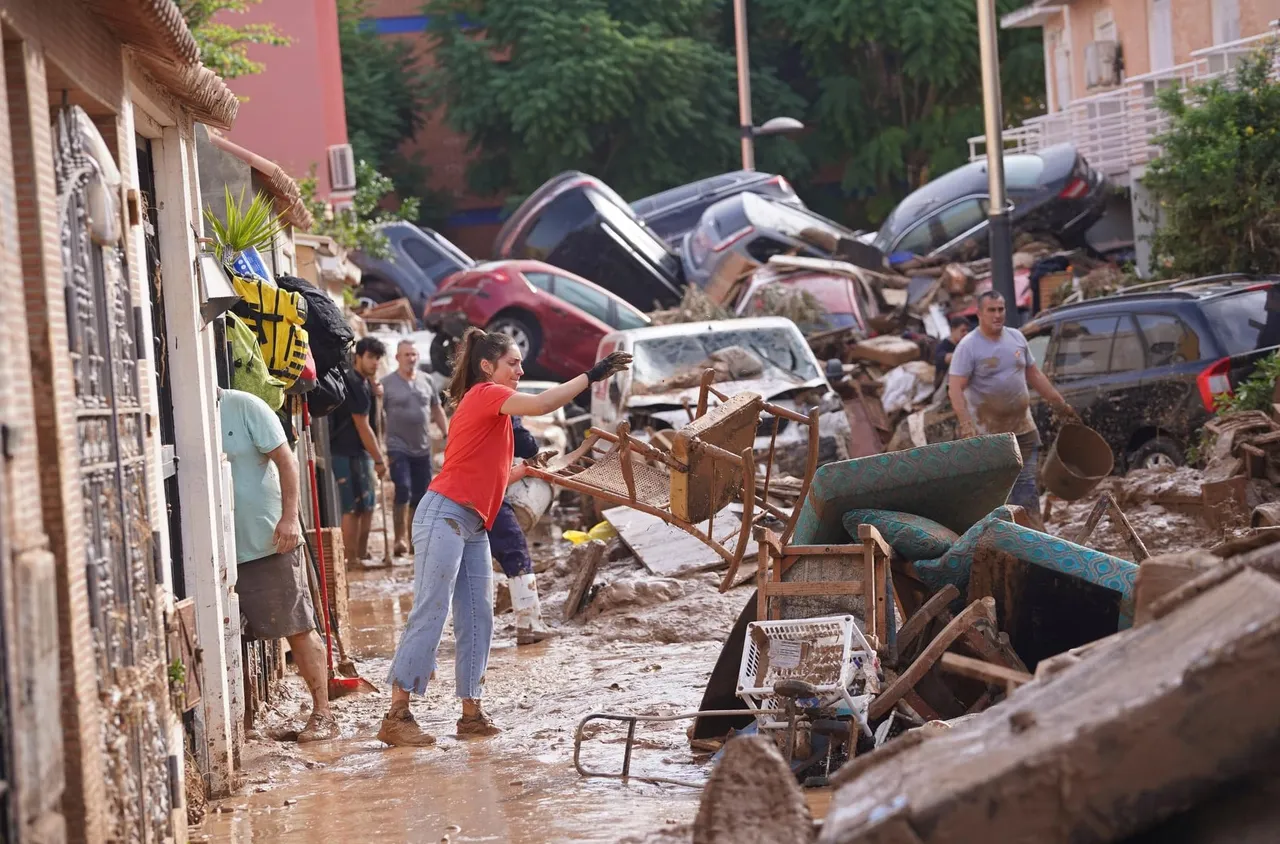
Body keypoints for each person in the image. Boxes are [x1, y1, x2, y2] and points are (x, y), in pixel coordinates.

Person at [377, 328, 631, 747]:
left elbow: (491, 475)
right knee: (432, 608)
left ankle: (471, 714)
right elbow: (545, 402)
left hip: (473, 522)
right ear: (487, 367)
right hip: (444, 515)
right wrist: (594, 374)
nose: (520, 369)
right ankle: (397, 714)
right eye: (513, 363)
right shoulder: (485, 393)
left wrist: (529, 470)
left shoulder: (490, 410)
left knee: (480, 615)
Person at [219, 388, 337, 742]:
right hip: (221, 551)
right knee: (231, 636)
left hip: (267, 542)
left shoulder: (243, 405)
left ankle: (323, 714)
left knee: (297, 626)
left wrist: (289, 519)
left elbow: (287, 461)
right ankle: (242, 724)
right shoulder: (179, 415)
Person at [948, 291, 1078, 527]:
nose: (998, 315)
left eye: (1001, 309)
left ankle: (1035, 536)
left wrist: (1059, 404)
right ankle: (1002, 539)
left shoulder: (1017, 338)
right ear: (979, 314)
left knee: (1027, 484)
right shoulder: (968, 347)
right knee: (997, 492)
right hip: (989, 435)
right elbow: (955, 388)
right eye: (991, 310)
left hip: (1023, 429)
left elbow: (1034, 375)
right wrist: (966, 424)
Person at [381, 339, 449, 557]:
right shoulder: (386, 383)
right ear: (397, 358)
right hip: (396, 445)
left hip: (422, 447)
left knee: (422, 495)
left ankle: (414, 540)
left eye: (413, 354)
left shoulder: (426, 380)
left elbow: (437, 410)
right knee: (403, 488)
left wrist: (448, 434)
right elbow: (377, 415)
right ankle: (399, 539)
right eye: (406, 355)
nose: (411, 358)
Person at [490, 416, 555, 645]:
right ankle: (529, 624)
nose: (519, 376)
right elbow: (523, 441)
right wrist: (532, 455)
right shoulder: (500, 399)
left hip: (462, 491)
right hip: (487, 491)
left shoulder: (468, 400)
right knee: (515, 548)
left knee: (463, 565)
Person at [328, 337, 387, 564]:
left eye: (377, 359)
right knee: (352, 508)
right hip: (347, 452)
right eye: (370, 357)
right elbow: (363, 426)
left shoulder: (362, 383)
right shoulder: (355, 383)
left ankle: (360, 554)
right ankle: (350, 558)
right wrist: (379, 459)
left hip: (358, 452)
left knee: (367, 506)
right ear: (358, 357)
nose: (374, 363)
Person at [933, 316, 971, 389]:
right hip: (944, 388)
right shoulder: (943, 346)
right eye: (963, 330)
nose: (966, 333)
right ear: (953, 330)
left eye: (967, 331)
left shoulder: (965, 345)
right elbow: (944, 358)